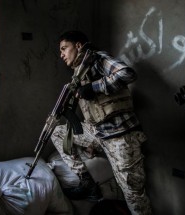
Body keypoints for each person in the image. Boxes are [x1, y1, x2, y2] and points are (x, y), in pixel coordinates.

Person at [50, 30, 152, 215]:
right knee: (57, 132)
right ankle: (87, 182)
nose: (62, 54)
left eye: (65, 48)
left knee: (132, 193)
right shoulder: (79, 73)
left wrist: (94, 87)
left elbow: (127, 73)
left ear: (79, 45)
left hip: (120, 135)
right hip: (99, 132)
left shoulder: (97, 59)